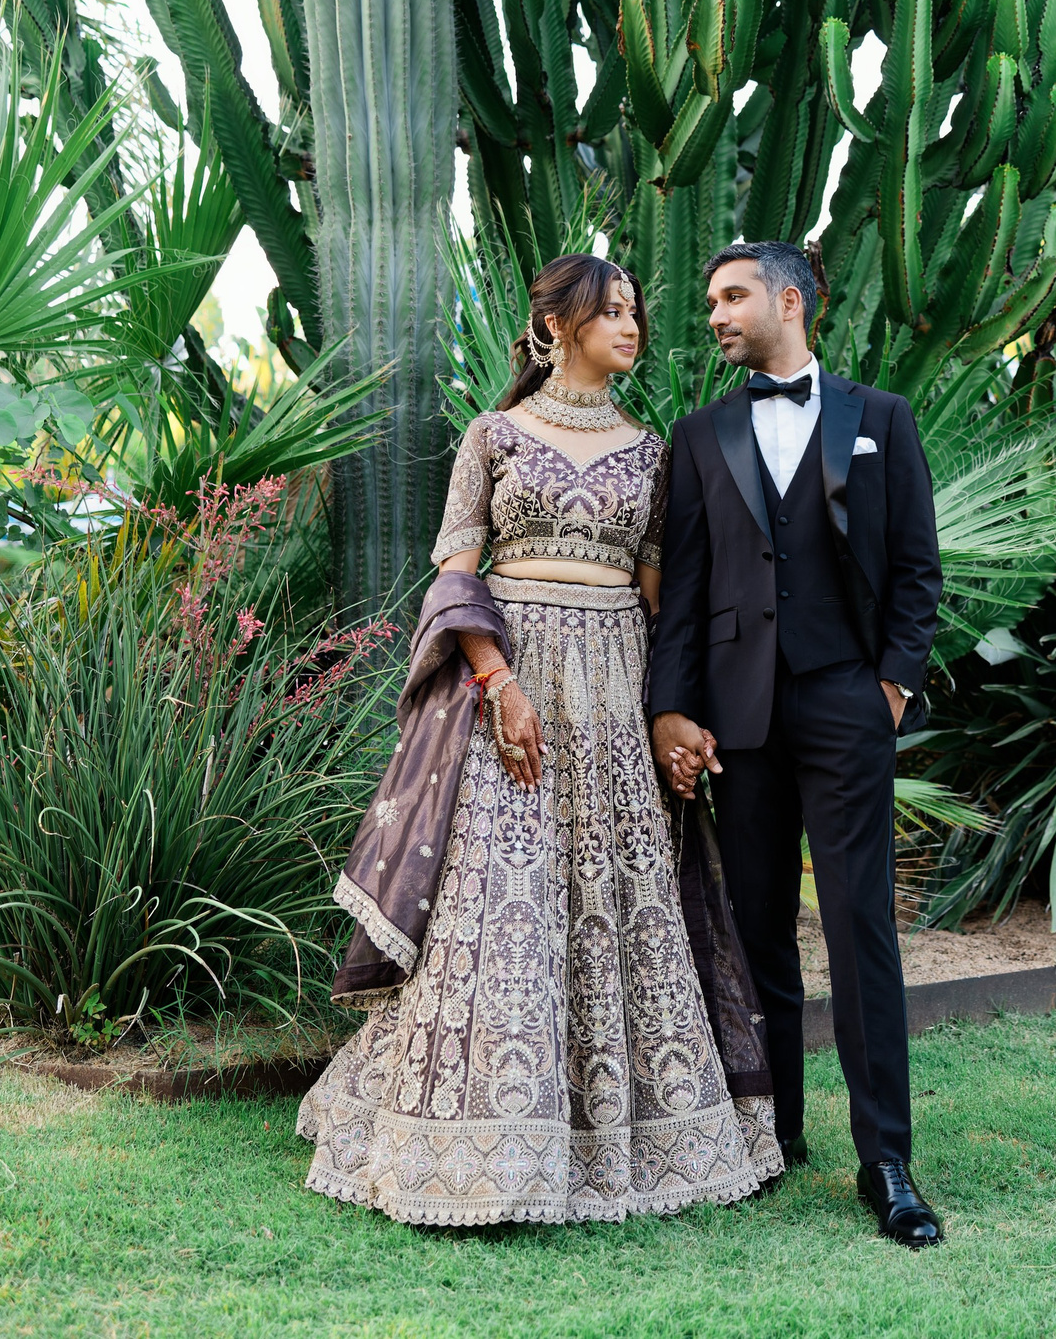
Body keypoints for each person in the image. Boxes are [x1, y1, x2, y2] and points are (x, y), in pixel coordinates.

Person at [299, 254, 782, 1227]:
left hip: (611, 695)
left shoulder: (654, 453)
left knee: (611, 900)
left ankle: (617, 1138)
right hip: (508, 698)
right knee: (496, 908)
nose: (630, 325)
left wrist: (673, 717)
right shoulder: (493, 435)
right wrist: (497, 681)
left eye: (635, 310)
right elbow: (453, 571)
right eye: (610, 311)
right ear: (557, 324)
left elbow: (662, 598)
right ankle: (475, 1144)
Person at [647, 241, 947, 1248]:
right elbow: (681, 590)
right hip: (736, 717)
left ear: (790, 299)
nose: (716, 313)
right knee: (758, 925)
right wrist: (669, 708)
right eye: (710, 298)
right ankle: (774, 1132)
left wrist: (890, 688)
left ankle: (887, 1158)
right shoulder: (699, 435)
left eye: (732, 295)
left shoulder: (883, 420)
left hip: (845, 704)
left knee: (862, 925)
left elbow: (916, 567)